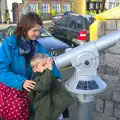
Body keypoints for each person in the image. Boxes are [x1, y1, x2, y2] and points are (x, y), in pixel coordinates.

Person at [0, 12, 61, 120]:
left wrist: (57, 77)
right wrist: (21, 82)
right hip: (13, 94)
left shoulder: (37, 46)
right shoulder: (9, 44)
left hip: (31, 94)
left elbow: (50, 61)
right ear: (24, 29)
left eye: (39, 30)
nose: (38, 34)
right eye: (34, 30)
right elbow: (1, 71)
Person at [28, 53, 74, 120]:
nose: (47, 66)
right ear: (35, 69)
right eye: (43, 65)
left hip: (55, 110)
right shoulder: (37, 81)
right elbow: (44, 86)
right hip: (47, 113)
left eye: (48, 64)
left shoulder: (49, 76)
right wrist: (49, 70)